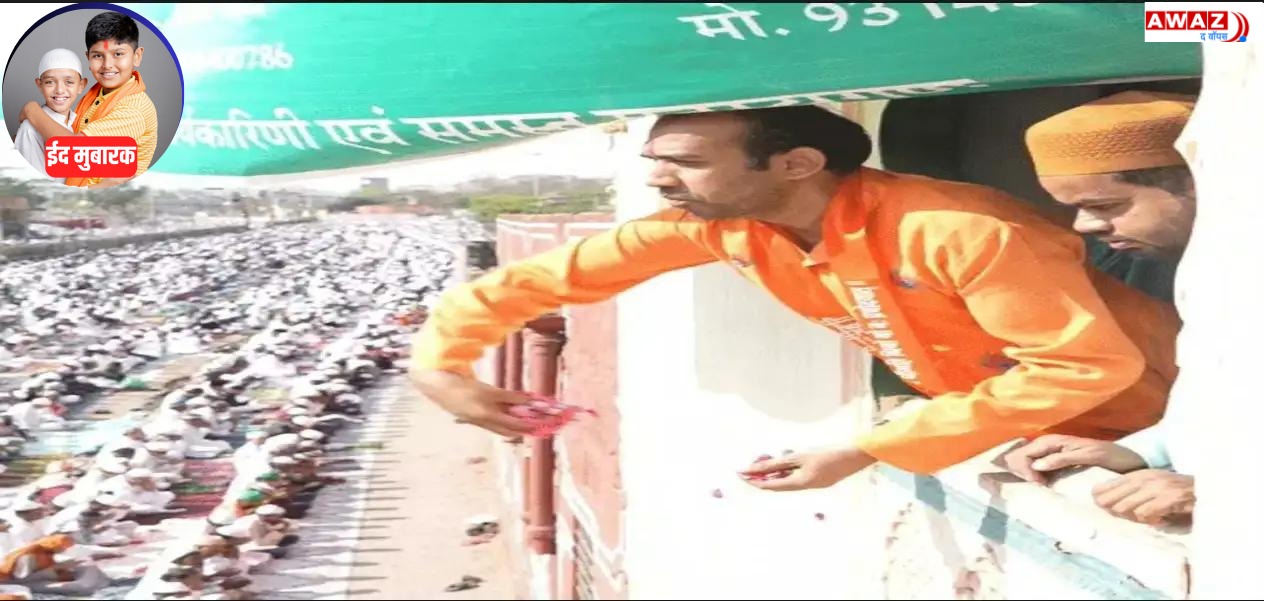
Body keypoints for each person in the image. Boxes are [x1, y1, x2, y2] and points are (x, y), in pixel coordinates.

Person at [411, 106, 1181, 491]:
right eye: (654, 161)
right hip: (1059, 454)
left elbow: (1080, 366)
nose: (658, 179)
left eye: (684, 162)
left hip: (1171, 432)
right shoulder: (727, 229)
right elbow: (539, 280)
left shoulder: (957, 228)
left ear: (798, 163)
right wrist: (438, 362)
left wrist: (870, 448)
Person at [1004, 91, 1198, 525]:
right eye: (1076, 208)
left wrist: (1222, 492)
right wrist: (1139, 452)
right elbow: (1218, 402)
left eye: (1106, 205)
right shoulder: (1198, 268)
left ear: (1196, 179)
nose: (1084, 226)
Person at [17, 11, 158, 189]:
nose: (107, 64)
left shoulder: (134, 108)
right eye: (98, 55)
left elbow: (74, 150)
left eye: (118, 54)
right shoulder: (99, 94)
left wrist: (31, 109)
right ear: (88, 58)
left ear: (137, 56)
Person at [14, 49, 87, 177]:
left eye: (69, 82)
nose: (59, 90)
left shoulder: (82, 124)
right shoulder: (30, 129)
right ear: (40, 85)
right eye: (50, 82)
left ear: (81, 85)